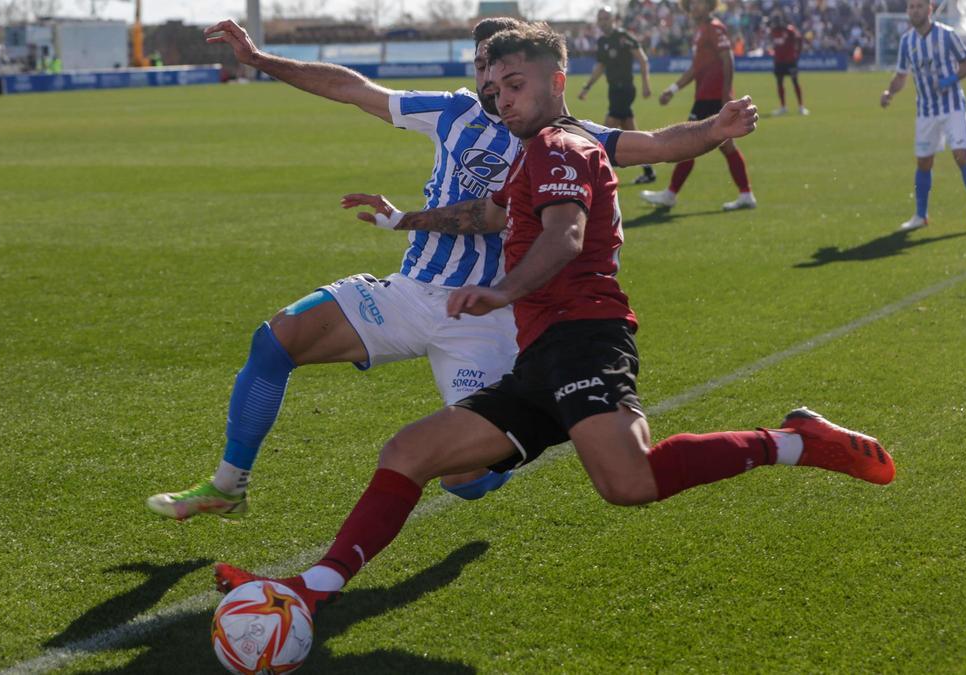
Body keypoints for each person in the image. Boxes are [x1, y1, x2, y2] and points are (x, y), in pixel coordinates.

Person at [212, 24, 893, 622]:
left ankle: (793, 440)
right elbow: (488, 216)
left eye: (515, 84)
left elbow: (564, 237)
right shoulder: (533, 152)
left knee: (628, 483)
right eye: (494, 86)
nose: (501, 97)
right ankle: (310, 589)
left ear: (556, 81)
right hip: (540, 351)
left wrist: (496, 289)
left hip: (584, 337)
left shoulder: (561, 146)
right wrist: (406, 220)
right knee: (408, 452)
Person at [145, 17, 762, 521]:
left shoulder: (567, 137)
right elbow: (351, 88)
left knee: (463, 482)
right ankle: (228, 485)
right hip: (411, 294)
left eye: (501, 72)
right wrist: (262, 59)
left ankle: (520, 440)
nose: (491, 85)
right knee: (276, 339)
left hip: (486, 316)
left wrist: (715, 127)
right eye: (482, 69)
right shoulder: (449, 112)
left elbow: (656, 144)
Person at [881, 0, 966, 233]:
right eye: (911, 7)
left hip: (953, 107)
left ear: (929, 10)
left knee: (961, 155)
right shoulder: (906, 41)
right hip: (926, 111)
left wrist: (949, 80)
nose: (914, 10)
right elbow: (901, 75)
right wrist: (890, 92)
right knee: (924, 162)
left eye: (919, 6)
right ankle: (920, 215)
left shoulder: (947, 35)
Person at [641, 0, 756, 212]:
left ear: (710, 5)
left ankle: (671, 194)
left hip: (712, 99)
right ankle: (746, 194)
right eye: (692, 3)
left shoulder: (714, 27)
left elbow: (728, 59)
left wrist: (726, 96)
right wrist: (673, 89)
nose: (695, 6)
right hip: (704, 96)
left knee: (688, 144)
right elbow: (696, 68)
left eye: (700, 2)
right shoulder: (701, 30)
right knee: (724, 146)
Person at [577, 6, 656, 184]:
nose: (603, 22)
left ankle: (597, 172)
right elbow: (600, 67)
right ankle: (648, 170)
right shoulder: (602, 42)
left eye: (606, 18)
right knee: (632, 131)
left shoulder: (623, 37)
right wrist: (587, 87)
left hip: (625, 90)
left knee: (606, 128)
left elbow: (642, 59)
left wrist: (646, 84)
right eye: (601, 19)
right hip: (613, 90)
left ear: (613, 19)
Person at [769, 11, 808, 116]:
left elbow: (799, 39)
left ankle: (801, 107)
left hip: (790, 61)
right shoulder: (773, 31)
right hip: (779, 62)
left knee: (795, 82)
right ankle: (783, 107)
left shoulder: (789, 30)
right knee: (779, 83)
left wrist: (797, 53)